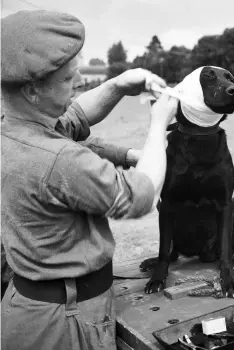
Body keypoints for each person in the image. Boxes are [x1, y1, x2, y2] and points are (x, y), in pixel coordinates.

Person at [1, 10, 178, 350]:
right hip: (65, 324)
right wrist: (158, 126)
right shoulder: (57, 160)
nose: (80, 80)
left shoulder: (13, 128)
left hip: (33, 309)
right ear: (33, 91)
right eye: (68, 79)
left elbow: (76, 116)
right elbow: (141, 195)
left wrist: (117, 85)